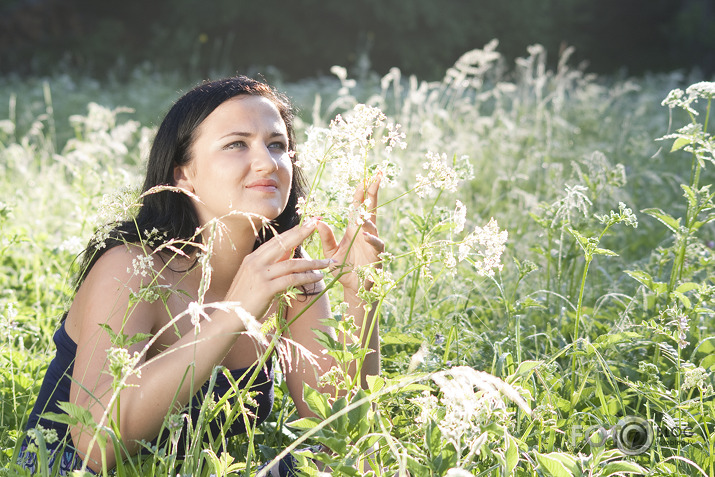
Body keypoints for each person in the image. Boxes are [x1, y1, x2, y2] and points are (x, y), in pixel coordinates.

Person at [17, 76, 382, 475]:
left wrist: (362, 293)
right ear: (183, 175)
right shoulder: (133, 267)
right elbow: (95, 445)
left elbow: (341, 430)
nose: (268, 162)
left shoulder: (284, 265)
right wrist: (235, 312)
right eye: (236, 144)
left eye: (277, 145)